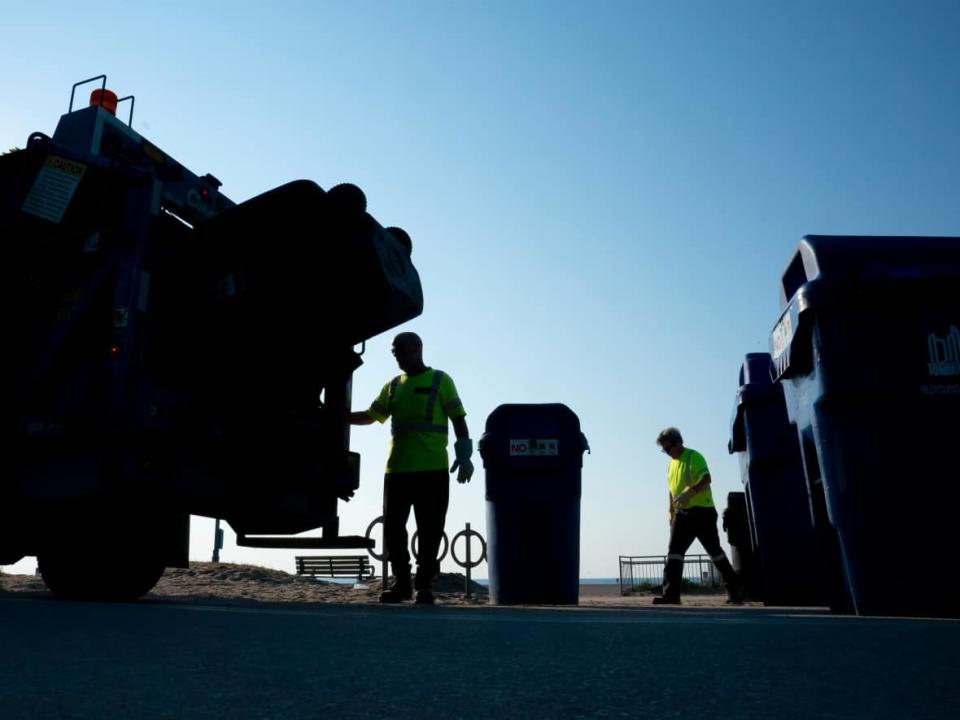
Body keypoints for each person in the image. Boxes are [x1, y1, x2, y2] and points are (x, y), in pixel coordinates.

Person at [350, 332, 473, 605]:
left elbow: (459, 420)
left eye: (401, 350)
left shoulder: (441, 381)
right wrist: (339, 417)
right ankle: (402, 583)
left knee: (430, 530)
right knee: (393, 530)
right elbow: (372, 417)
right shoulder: (393, 386)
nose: (397, 355)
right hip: (397, 470)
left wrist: (464, 454)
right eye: (394, 351)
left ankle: (424, 585)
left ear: (417, 348)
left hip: (433, 470)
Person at [653, 427, 743, 606]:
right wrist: (671, 511)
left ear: (678, 443)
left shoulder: (694, 457)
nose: (666, 453)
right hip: (681, 514)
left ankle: (735, 590)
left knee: (715, 553)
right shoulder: (671, 465)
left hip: (702, 512)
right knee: (674, 554)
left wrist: (691, 492)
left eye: (668, 448)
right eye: (664, 450)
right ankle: (671, 595)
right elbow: (672, 490)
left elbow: (707, 479)